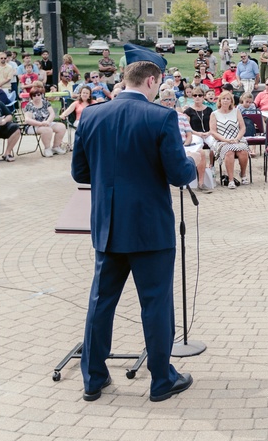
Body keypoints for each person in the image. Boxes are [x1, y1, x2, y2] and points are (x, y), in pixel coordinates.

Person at [71, 47, 196, 402]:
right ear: (152, 80)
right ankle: (161, 380)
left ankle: (93, 378)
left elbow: (80, 172)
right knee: (155, 303)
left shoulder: (91, 116)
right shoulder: (160, 117)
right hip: (149, 227)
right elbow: (178, 174)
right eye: (160, 82)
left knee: (101, 302)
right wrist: (192, 162)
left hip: (108, 225)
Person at [210, 91, 250, 188]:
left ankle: (243, 174)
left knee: (243, 151)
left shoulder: (236, 111)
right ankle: (231, 180)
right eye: (223, 98)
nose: (225, 101)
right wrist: (225, 140)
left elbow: (243, 127)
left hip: (237, 139)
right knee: (229, 152)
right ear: (220, 100)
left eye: (228, 99)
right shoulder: (214, 114)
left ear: (231, 101)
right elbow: (213, 131)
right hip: (222, 141)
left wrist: (237, 138)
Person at [22, 85, 66, 156]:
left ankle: (56, 147)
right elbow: (27, 120)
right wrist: (40, 124)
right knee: (47, 130)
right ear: (31, 96)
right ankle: (47, 149)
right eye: (34, 95)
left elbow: (52, 113)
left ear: (41, 95)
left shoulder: (45, 102)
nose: (37, 97)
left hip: (46, 123)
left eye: (38, 95)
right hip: (32, 126)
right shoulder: (29, 105)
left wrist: (48, 121)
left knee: (62, 127)